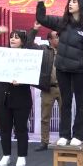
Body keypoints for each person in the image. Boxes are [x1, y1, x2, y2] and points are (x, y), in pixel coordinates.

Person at [35, 0, 83, 147]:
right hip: (62, 69)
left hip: (79, 71)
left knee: (81, 103)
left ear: (81, 6)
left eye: (74, 1)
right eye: (70, 1)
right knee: (65, 103)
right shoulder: (62, 22)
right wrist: (41, 1)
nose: (71, 3)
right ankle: (64, 134)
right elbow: (41, 18)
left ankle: (78, 134)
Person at [0, 26, 33, 166]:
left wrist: (23, 80)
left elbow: (34, 75)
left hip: (21, 97)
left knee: (21, 128)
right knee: (4, 128)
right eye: (11, 36)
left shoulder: (28, 55)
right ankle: (6, 155)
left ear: (22, 41)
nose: (13, 39)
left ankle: (22, 156)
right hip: (2, 96)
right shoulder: (1, 53)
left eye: (16, 37)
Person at [27, 23, 61, 152]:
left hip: (63, 88)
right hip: (48, 88)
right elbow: (29, 45)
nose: (58, 39)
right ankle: (44, 142)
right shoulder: (44, 50)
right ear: (50, 40)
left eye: (59, 36)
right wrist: (34, 29)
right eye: (56, 37)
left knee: (65, 116)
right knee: (45, 117)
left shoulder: (66, 51)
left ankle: (64, 140)